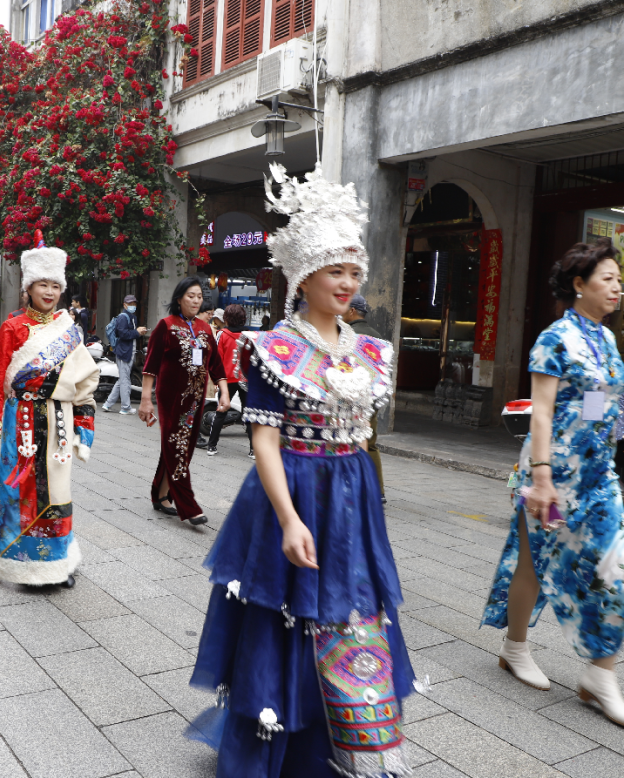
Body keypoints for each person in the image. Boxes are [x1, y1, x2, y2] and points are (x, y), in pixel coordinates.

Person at [189, 164, 413, 777]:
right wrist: (288, 519)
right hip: (291, 489)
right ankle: (281, 740)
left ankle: (354, 738)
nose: (348, 283)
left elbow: (365, 438)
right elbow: (263, 440)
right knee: (286, 614)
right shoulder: (269, 348)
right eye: (335, 270)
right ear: (304, 275)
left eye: (354, 271)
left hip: (352, 499)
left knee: (355, 609)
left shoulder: (371, 351)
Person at [482, 238, 624, 730]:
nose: (617, 287)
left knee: (618, 569)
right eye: (608, 278)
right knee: (531, 563)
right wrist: (543, 478)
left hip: (598, 475)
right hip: (552, 477)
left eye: (619, 278)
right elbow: (544, 413)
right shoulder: (556, 338)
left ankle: (599, 675)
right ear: (580, 284)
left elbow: (595, 403)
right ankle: (514, 648)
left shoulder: (606, 339)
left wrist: (609, 428)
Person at [0, 233, 100, 587]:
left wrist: (83, 426)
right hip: (20, 421)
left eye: (54, 286)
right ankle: (22, 563)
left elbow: (85, 383)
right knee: (18, 491)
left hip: (57, 419)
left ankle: (58, 561)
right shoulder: (13, 327)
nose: (49, 293)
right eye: (42, 285)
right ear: (29, 288)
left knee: (58, 491)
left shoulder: (69, 330)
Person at [138, 278, 229, 526]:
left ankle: (160, 493)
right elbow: (151, 366)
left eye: (199, 296)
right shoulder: (165, 326)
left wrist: (224, 392)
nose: (196, 300)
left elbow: (216, 364)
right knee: (177, 444)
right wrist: (146, 399)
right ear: (179, 298)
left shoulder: (204, 327)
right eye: (191, 295)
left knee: (182, 446)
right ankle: (188, 506)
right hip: (170, 397)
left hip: (196, 398)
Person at [343, 294, 386, 500]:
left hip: (348, 400)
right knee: (371, 443)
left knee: (346, 443)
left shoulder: (345, 335)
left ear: (352, 311)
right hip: (372, 398)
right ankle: (378, 490)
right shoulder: (377, 336)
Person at [205, 303, 253, 459]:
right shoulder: (249, 335)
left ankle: (211, 446)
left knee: (221, 411)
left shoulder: (222, 335)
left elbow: (217, 359)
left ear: (226, 318)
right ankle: (253, 450)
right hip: (245, 378)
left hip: (227, 379)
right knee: (249, 415)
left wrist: (216, 380)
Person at [101, 295, 147, 414]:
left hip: (128, 351)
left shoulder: (132, 317)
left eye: (134, 304)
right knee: (125, 379)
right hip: (124, 352)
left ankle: (108, 404)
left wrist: (138, 332)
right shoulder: (123, 317)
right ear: (124, 305)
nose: (133, 306)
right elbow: (123, 334)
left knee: (122, 378)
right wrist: (137, 332)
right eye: (130, 304)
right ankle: (125, 407)